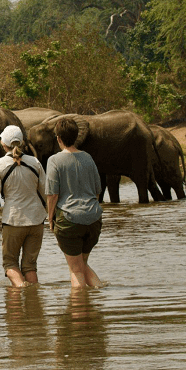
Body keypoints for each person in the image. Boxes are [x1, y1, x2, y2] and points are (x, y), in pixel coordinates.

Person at [0, 125, 46, 287]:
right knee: (30, 266)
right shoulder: (35, 162)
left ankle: (21, 290)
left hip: (13, 221)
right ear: (23, 143)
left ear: (3, 144)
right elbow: (47, 193)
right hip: (37, 220)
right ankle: (34, 301)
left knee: (10, 264)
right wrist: (52, 216)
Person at [45, 117, 103, 288]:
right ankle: (98, 297)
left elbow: (52, 195)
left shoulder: (54, 161)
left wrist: (50, 219)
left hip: (69, 220)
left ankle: (78, 310)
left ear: (59, 138)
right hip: (93, 219)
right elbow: (97, 191)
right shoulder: (88, 158)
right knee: (82, 265)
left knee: (76, 270)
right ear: (77, 136)